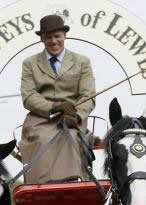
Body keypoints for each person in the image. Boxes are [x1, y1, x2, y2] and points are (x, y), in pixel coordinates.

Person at [19, 14, 96, 184]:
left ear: (64, 36)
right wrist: (54, 107)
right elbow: (29, 96)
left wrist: (76, 116)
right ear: (42, 39)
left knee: (72, 137)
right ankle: (39, 183)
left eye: (57, 36)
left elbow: (88, 95)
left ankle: (75, 181)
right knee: (41, 139)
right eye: (48, 37)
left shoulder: (82, 62)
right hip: (41, 120)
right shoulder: (30, 64)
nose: (53, 41)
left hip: (72, 118)